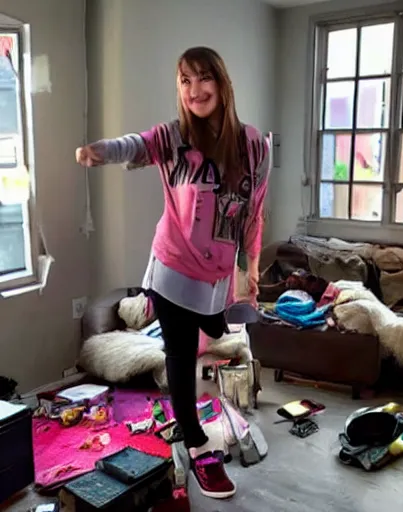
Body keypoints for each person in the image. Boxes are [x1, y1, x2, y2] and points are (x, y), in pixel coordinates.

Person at [75, 46, 271, 500]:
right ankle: (197, 444)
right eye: (184, 81)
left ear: (222, 84)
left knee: (217, 327)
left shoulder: (254, 146)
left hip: (218, 273)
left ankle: (204, 340)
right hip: (172, 266)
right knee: (180, 356)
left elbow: (254, 214)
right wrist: (99, 152)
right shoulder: (172, 137)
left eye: (203, 78)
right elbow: (134, 144)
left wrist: (252, 268)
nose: (194, 90)